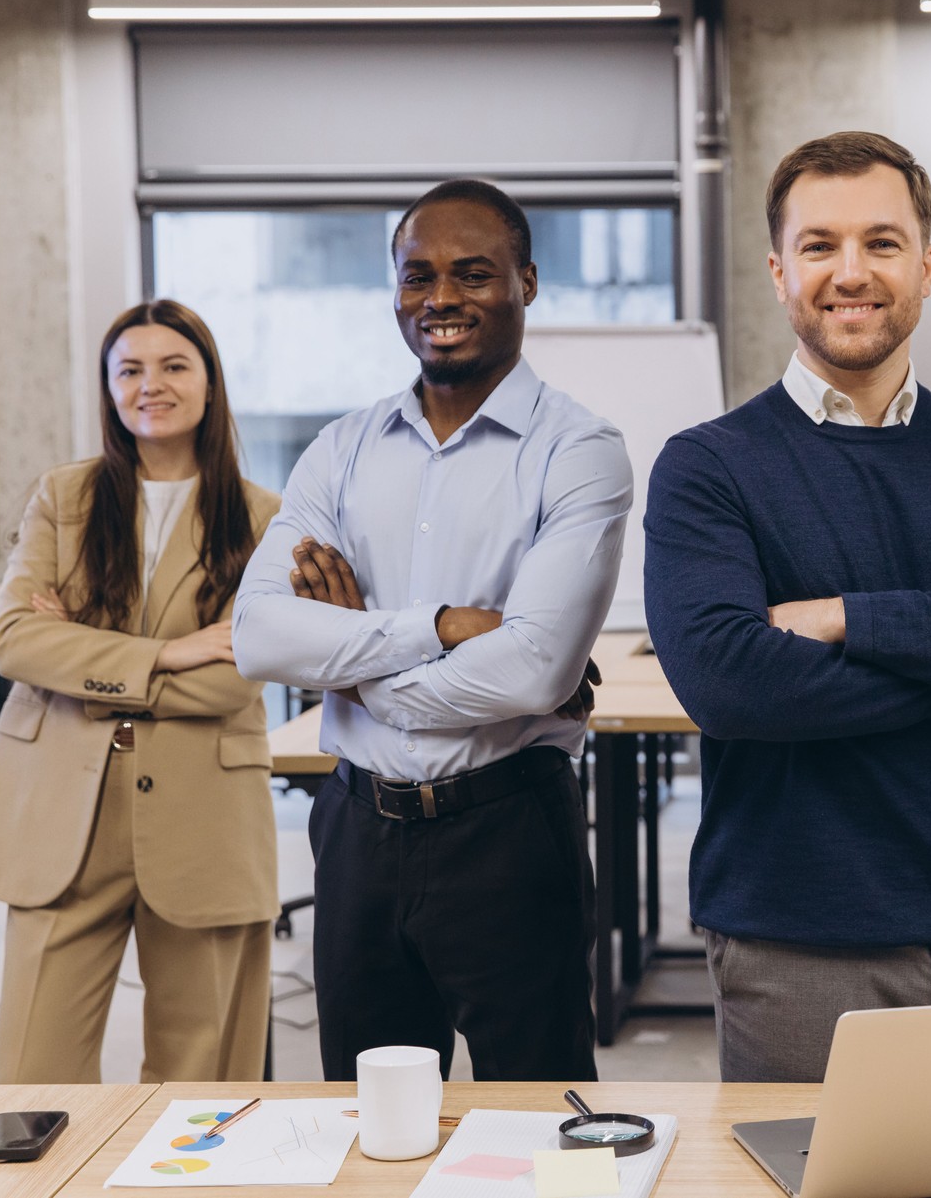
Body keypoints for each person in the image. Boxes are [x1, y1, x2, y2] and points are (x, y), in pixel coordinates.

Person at [643, 131, 931, 1083]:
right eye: (820, 246)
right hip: (793, 943)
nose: (850, 272)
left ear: (928, 265)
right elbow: (734, 687)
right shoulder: (707, 466)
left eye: (882, 242)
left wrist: (838, 618)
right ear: (779, 272)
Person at [232, 178, 631, 1082]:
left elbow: (532, 671)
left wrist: (352, 661)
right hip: (356, 829)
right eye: (418, 276)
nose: (441, 298)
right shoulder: (341, 448)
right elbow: (257, 636)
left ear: (527, 282)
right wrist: (445, 626)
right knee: (371, 1125)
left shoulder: (579, 450)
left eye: (473, 273)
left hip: (508, 829)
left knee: (539, 1124)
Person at [0, 300, 280, 1083]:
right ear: (107, 388)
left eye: (173, 365)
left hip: (204, 817)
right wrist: (170, 652)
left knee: (202, 1092)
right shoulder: (62, 499)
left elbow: (235, 680)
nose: (150, 385)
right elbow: (16, 642)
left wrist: (83, 664)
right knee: (34, 1084)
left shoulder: (266, 518)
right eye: (129, 369)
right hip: (60, 815)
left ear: (209, 383)